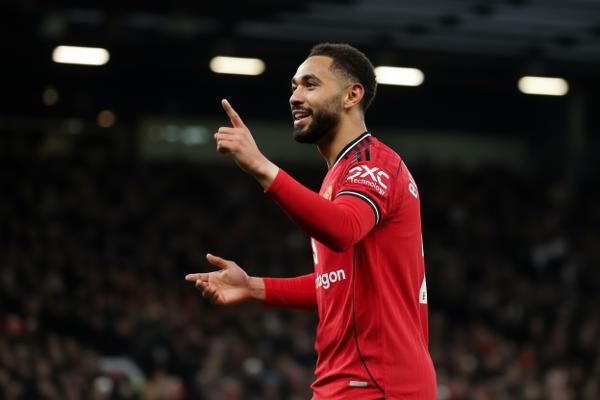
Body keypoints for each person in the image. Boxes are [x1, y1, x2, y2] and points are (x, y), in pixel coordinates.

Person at [185, 43, 436, 399]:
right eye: (293, 87)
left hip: (378, 383)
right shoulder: (341, 174)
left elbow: (342, 229)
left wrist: (261, 166)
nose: (295, 97)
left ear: (351, 95)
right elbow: (336, 284)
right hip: (347, 381)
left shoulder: (372, 163)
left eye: (310, 84)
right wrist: (254, 287)